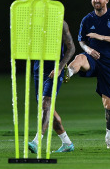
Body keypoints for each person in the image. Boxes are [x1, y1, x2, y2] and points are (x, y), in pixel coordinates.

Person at [64, 0, 110, 149]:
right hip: (92, 57)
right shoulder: (87, 19)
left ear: (106, 0)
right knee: (80, 57)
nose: (96, 0)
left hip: (109, 63)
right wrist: (89, 49)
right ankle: (67, 73)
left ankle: (109, 136)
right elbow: (82, 41)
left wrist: (101, 37)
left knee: (108, 104)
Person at [28, 21, 76, 153]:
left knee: (46, 104)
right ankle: (67, 143)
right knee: (48, 110)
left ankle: (37, 142)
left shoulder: (60, 23)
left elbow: (71, 48)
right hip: (38, 69)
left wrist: (60, 68)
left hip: (54, 71)